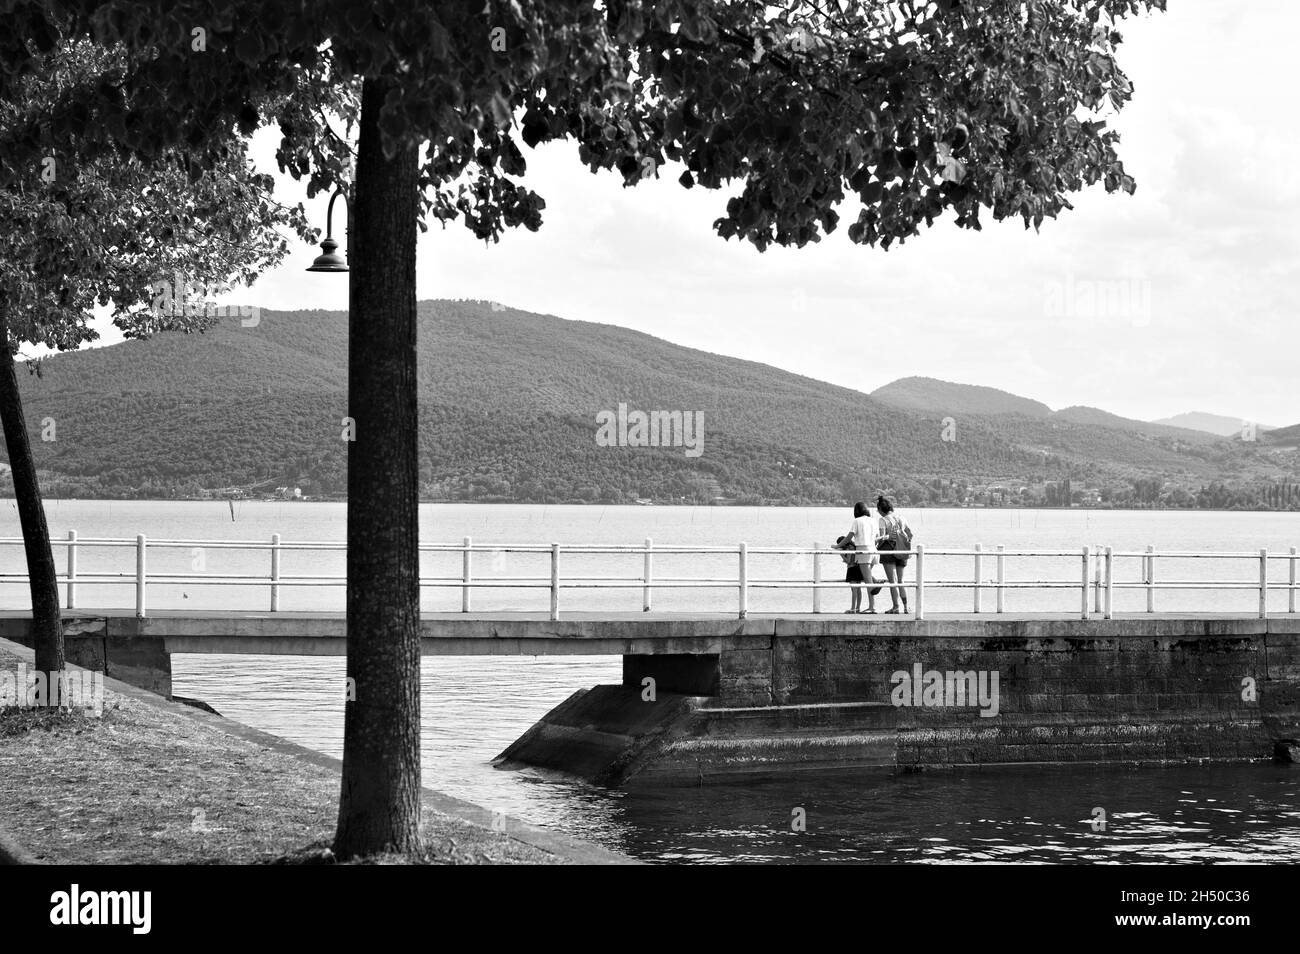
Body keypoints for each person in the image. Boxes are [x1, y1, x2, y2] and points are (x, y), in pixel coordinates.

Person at [875, 494, 912, 614]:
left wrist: (876, 539)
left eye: (878, 510)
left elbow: (882, 538)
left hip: (888, 551)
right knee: (901, 580)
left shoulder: (883, 520)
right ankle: (906, 607)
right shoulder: (901, 517)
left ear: (881, 510)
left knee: (893, 581)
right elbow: (910, 534)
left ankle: (896, 607)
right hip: (901, 550)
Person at [842, 501, 879, 614]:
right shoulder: (873, 520)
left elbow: (849, 537)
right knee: (868, 579)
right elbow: (877, 537)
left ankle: (872, 607)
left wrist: (838, 545)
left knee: (868, 582)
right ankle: (875, 583)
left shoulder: (857, 521)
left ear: (856, 511)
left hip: (863, 551)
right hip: (874, 551)